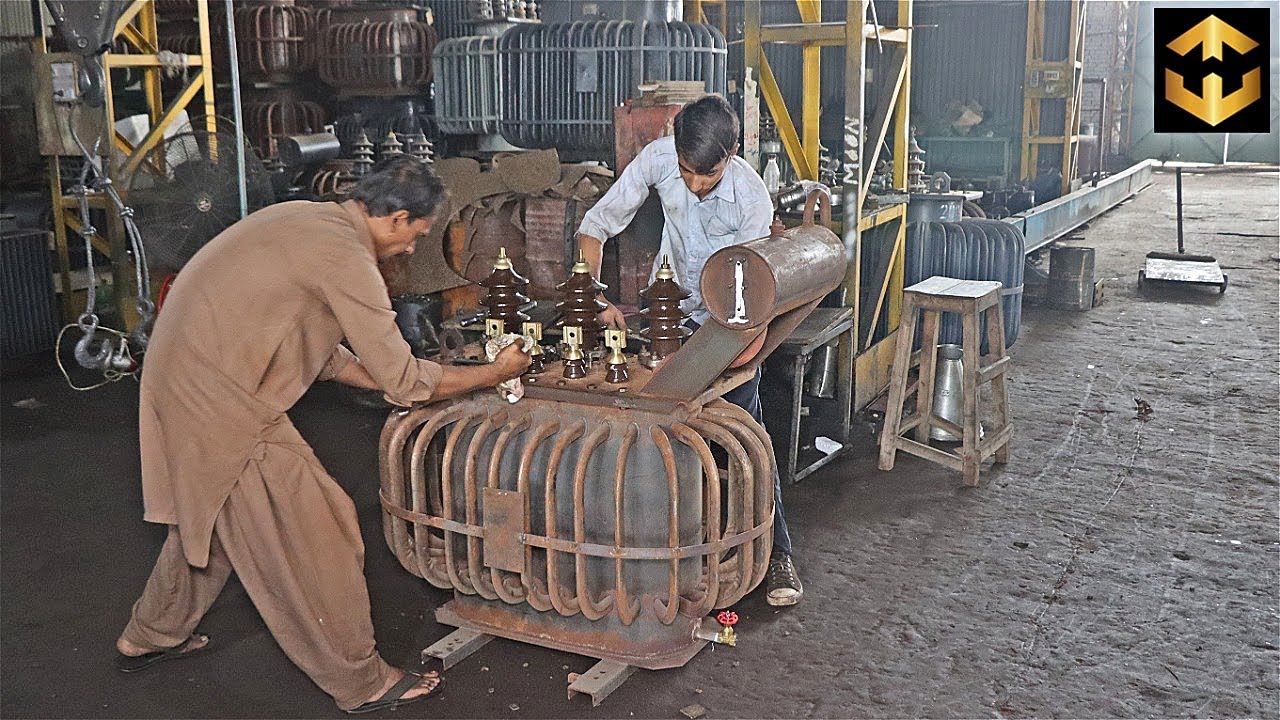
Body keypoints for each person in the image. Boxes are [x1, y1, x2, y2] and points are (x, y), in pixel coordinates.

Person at [114, 157, 531, 713]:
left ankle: (149, 635)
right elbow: (406, 379)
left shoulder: (305, 218)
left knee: (214, 516)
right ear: (397, 218)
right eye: (418, 235)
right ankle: (362, 682)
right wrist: (495, 373)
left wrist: (390, 377)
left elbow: (318, 347)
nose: (412, 249)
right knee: (318, 528)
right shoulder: (346, 256)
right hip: (221, 398)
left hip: (183, 374)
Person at [574, 94, 803, 607]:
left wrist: (730, 362)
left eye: (709, 175)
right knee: (661, 434)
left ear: (733, 152)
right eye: (687, 172)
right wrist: (592, 295)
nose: (696, 186)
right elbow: (596, 225)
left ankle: (777, 554)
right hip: (669, 318)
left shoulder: (751, 199)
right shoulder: (657, 159)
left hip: (730, 325)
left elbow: (752, 301)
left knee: (744, 439)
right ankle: (663, 554)